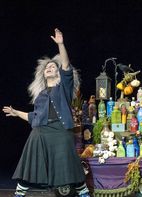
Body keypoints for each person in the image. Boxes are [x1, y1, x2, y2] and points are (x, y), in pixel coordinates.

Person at [2, 28, 90, 197]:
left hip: (61, 131)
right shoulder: (41, 96)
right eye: (47, 67)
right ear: (44, 73)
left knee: (69, 165)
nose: (50, 68)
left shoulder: (64, 87)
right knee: (30, 164)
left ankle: (83, 192)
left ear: (57, 72)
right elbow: (33, 117)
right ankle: (19, 194)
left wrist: (61, 44)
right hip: (40, 132)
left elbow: (66, 66)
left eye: (52, 66)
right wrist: (16, 112)